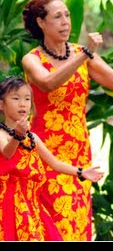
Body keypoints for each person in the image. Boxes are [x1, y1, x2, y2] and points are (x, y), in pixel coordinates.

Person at [21, 0, 113, 241]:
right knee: (52, 219)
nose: (65, 22)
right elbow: (48, 83)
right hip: (45, 149)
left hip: (79, 147)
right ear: (41, 22)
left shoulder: (82, 53)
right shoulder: (32, 59)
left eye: (67, 15)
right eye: (57, 17)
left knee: (77, 219)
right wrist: (84, 55)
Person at [0, 76, 104, 241]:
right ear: (1, 105)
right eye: (15, 98)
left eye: (27, 99)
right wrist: (17, 136)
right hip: (7, 203)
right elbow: (7, 153)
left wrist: (81, 172)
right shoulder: (1, 134)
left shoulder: (32, 138)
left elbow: (54, 163)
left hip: (31, 203)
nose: (22, 103)